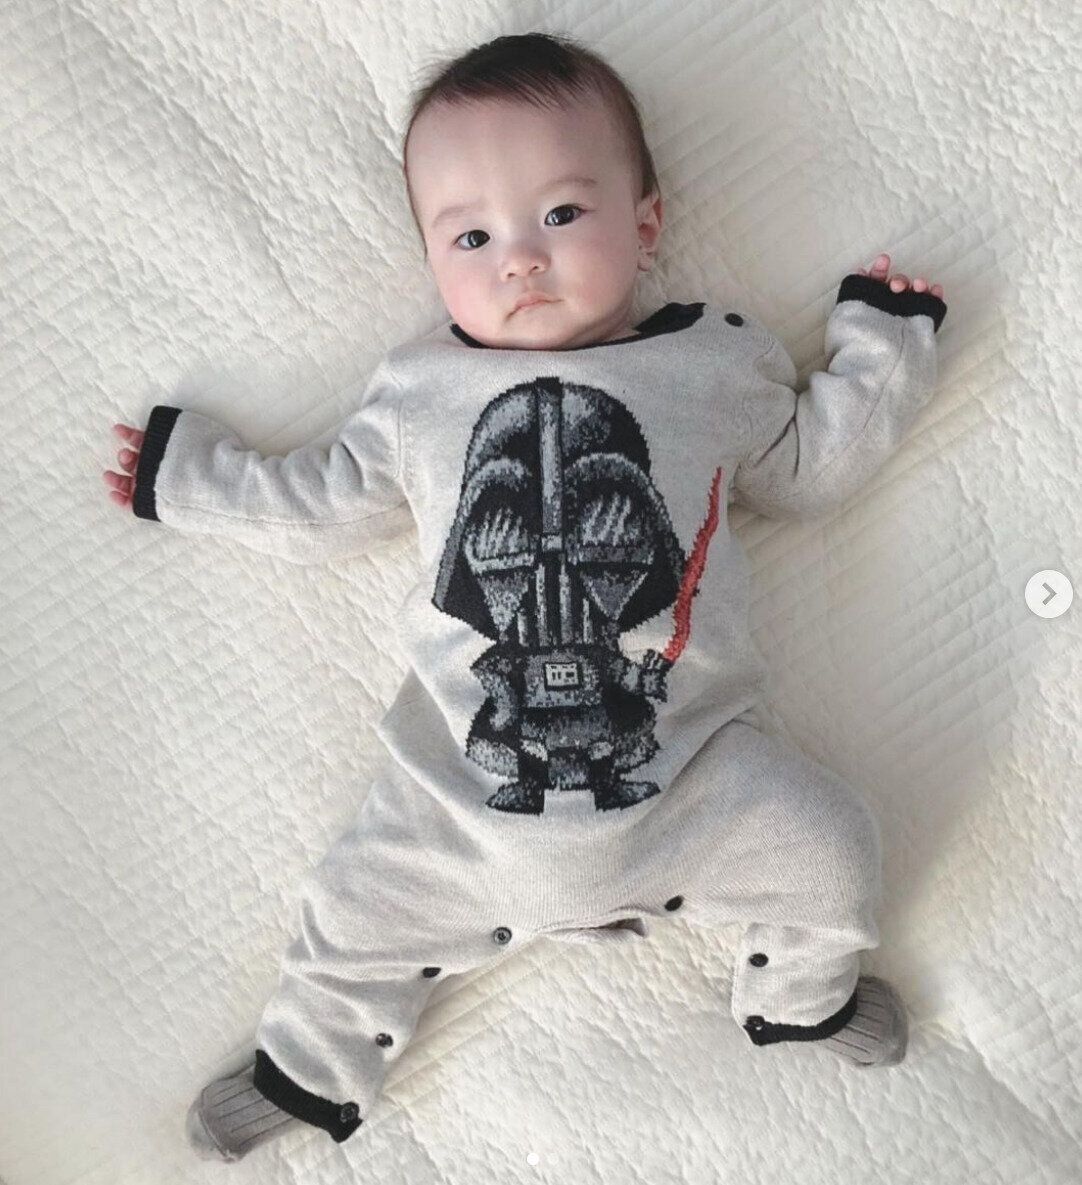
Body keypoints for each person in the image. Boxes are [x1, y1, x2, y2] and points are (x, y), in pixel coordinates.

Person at [103, 32, 946, 1164]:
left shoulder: (712, 367)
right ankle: (306, 1071)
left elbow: (808, 470)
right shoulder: (421, 392)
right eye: (472, 236)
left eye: (560, 214)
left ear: (646, 220)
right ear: (429, 255)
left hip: (694, 778)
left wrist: (881, 349)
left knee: (831, 844)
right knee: (345, 910)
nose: (521, 260)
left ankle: (802, 999)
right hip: (456, 804)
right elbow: (318, 503)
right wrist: (190, 478)